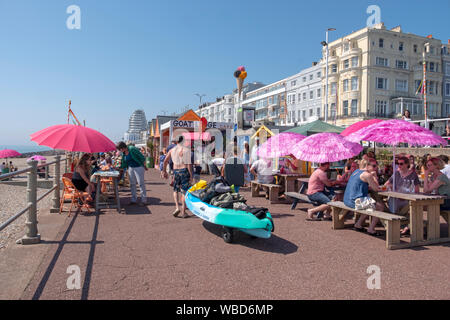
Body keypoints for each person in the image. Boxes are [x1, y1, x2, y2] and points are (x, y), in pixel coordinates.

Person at [343, 159, 385, 236]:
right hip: (355, 201)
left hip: (347, 199)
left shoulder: (356, 171)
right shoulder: (367, 175)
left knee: (370, 204)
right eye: (374, 166)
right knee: (380, 206)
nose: (376, 168)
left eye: (376, 166)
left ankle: (358, 224)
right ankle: (371, 229)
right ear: (367, 166)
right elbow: (376, 188)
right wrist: (375, 176)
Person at [161, 135, 193, 218]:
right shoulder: (186, 150)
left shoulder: (172, 150)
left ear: (177, 142)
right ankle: (183, 212)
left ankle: (177, 207)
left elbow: (165, 161)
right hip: (184, 171)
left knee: (175, 190)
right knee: (184, 191)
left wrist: (164, 171)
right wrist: (191, 175)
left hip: (175, 172)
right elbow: (188, 164)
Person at [117, 141, 148, 206]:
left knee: (140, 183)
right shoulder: (124, 153)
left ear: (123, 147)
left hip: (138, 167)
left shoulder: (132, 149)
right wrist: (120, 167)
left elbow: (141, 157)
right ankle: (133, 199)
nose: (120, 150)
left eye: (120, 149)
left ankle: (144, 200)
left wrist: (144, 165)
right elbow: (124, 162)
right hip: (131, 168)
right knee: (132, 184)